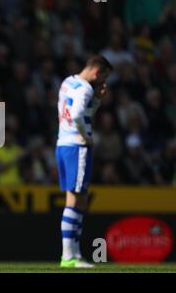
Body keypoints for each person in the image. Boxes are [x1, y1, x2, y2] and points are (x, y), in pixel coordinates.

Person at [55, 55, 112, 268]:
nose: (102, 82)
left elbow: (80, 112)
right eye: (103, 77)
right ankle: (68, 256)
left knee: (80, 199)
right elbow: (78, 114)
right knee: (75, 200)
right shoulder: (86, 88)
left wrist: (97, 100)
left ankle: (74, 255)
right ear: (97, 72)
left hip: (62, 143)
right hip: (76, 146)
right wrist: (85, 136)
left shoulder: (67, 82)